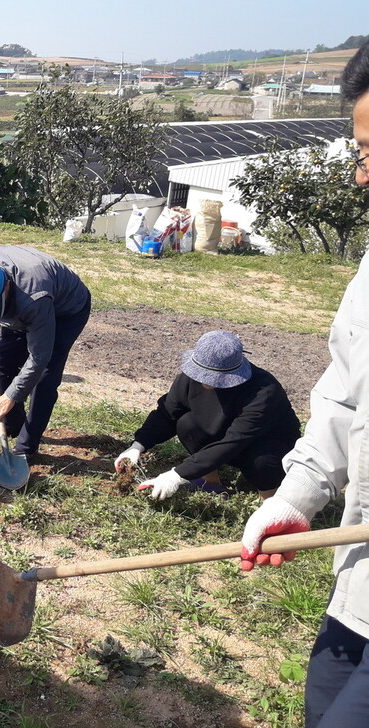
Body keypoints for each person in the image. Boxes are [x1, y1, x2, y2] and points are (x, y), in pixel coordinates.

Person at [237, 42, 369, 728]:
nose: (359, 179)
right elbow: (346, 396)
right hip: (360, 586)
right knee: (321, 705)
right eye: (362, 153)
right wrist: (299, 494)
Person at [115, 330, 301, 500]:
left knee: (261, 461)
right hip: (225, 436)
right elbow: (167, 413)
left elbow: (233, 442)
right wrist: (138, 445)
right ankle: (210, 484)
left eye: (212, 376)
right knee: (187, 424)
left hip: (263, 444)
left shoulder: (264, 392)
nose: (205, 381)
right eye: (202, 373)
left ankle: (272, 501)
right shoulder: (191, 377)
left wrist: (177, 474)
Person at [0, 245, 91, 457]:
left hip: (65, 311)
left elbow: (40, 357)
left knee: (44, 378)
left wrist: (11, 396)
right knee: (0, 359)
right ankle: (13, 425)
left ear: (5, 290)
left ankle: (26, 448)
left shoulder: (34, 297)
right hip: (21, 306)